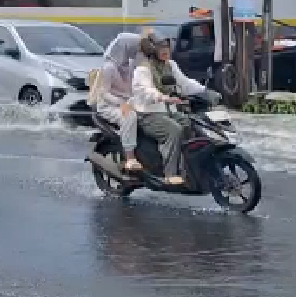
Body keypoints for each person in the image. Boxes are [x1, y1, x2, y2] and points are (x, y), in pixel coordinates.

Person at [129, 33, 208, 186]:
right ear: (152, 50)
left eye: (167, 47)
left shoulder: (170, 65)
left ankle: (187, 168)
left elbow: (184, 83)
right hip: (148, 114)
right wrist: (164, 97)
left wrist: (205, 90)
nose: (165, 51)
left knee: (191, 124)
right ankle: (170, 174)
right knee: (174, 130)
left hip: (168, 111)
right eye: (160, 47)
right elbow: (147, 90)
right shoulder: (143, 69)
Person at [86, 33, 142, 172]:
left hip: (128, 102)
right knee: (130, 117)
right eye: (134, 48)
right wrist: (121, 103)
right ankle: (129, 157)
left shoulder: (129, 65)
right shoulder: (109, 67)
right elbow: (103, 93)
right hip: (108, 106)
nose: (136, 51)